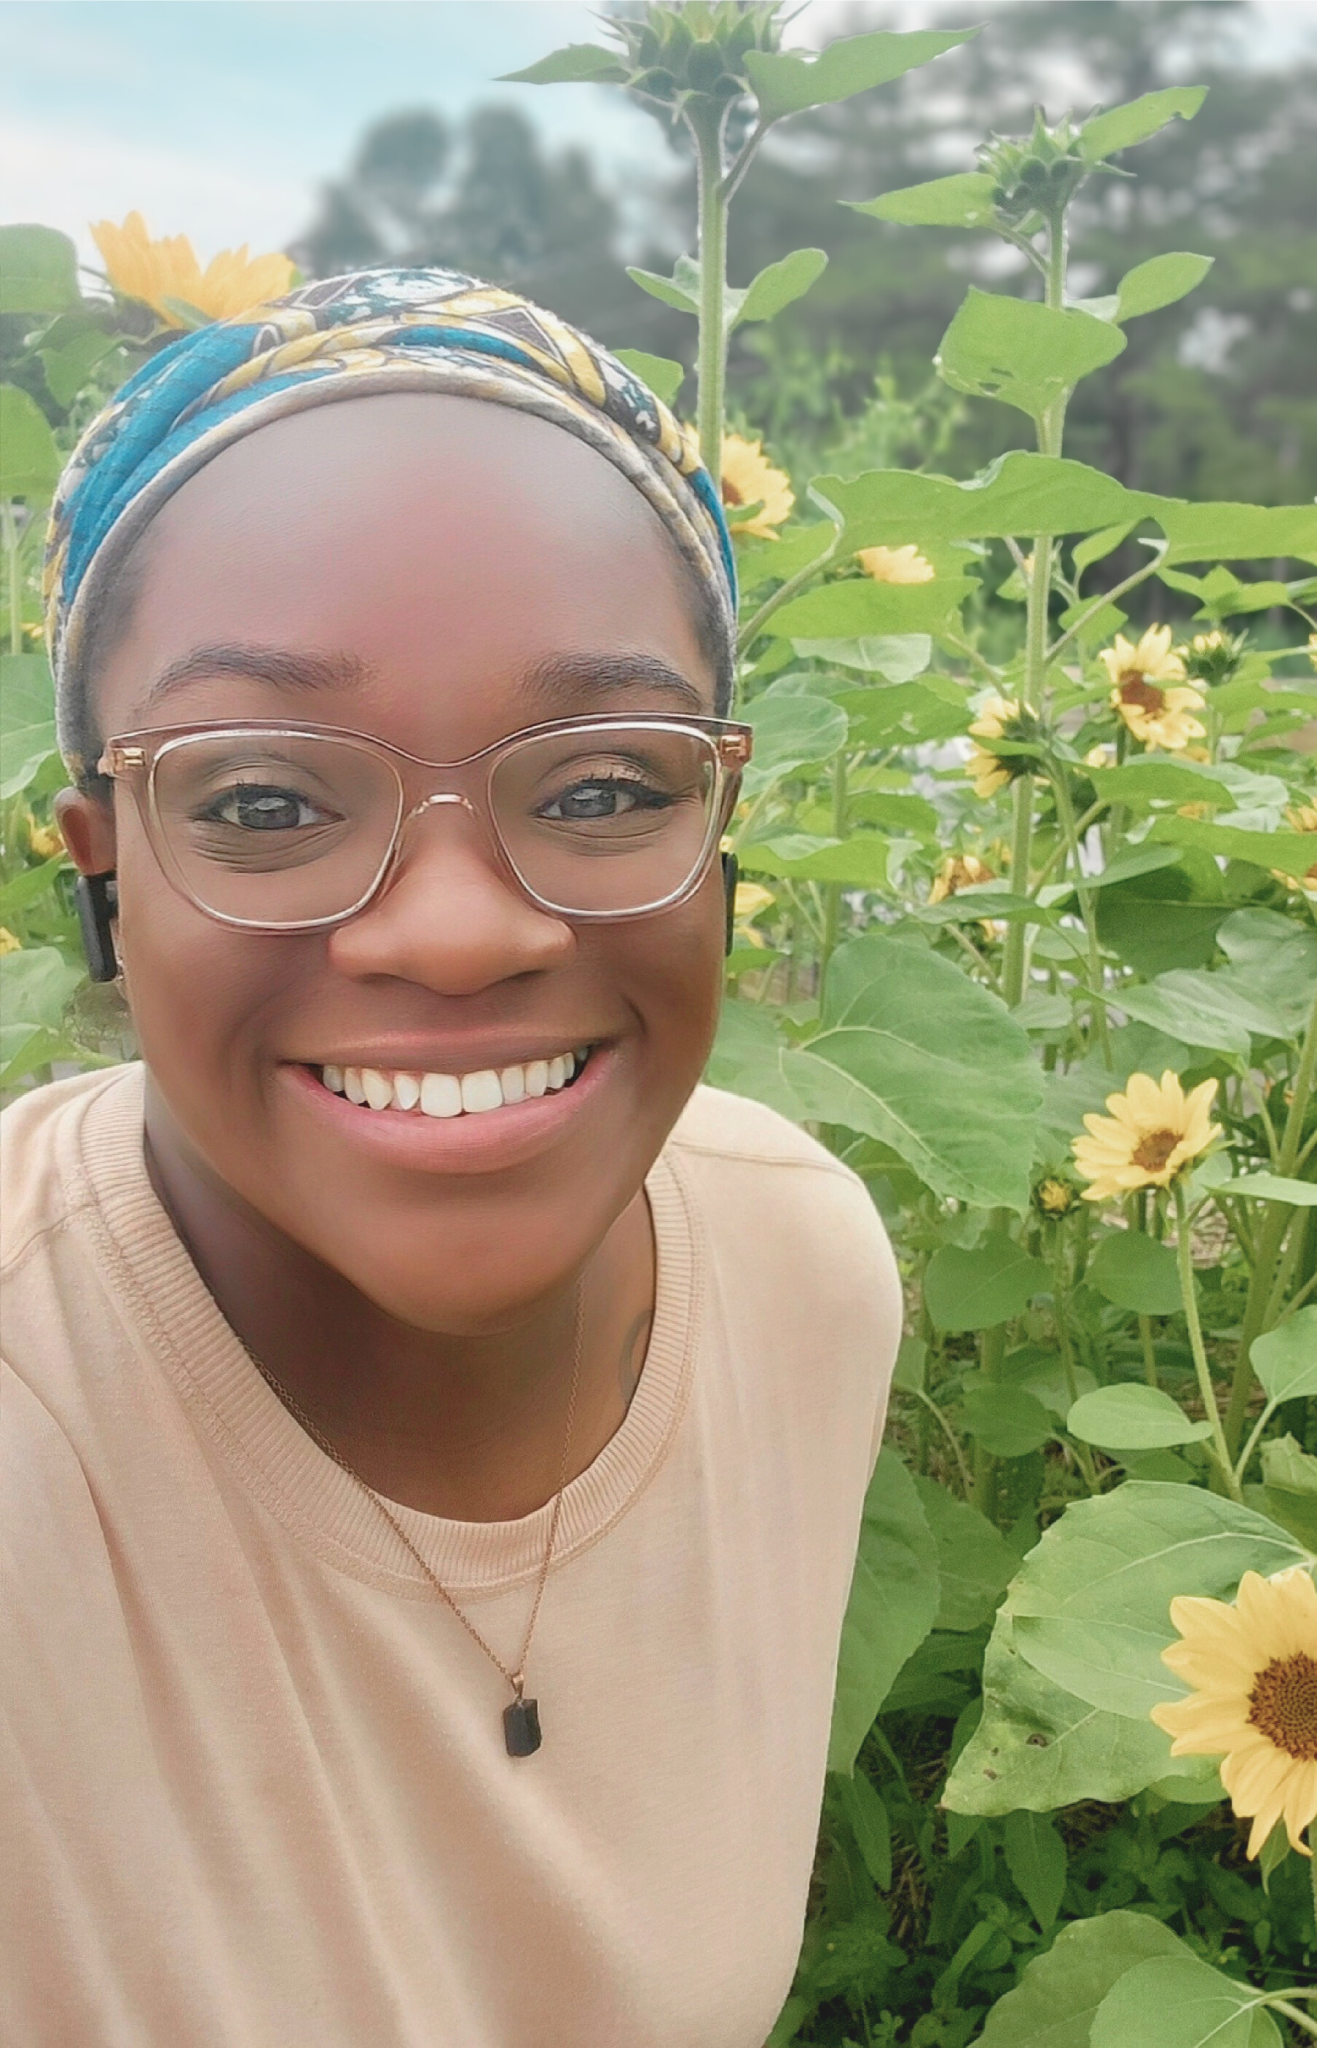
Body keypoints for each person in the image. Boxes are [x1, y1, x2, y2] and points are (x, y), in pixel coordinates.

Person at [2, 268, 901, 2048]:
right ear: (104, 872)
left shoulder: (799, 1267)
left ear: (726, 827)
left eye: (599, 788)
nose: (457, 932)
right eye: (262, 801)